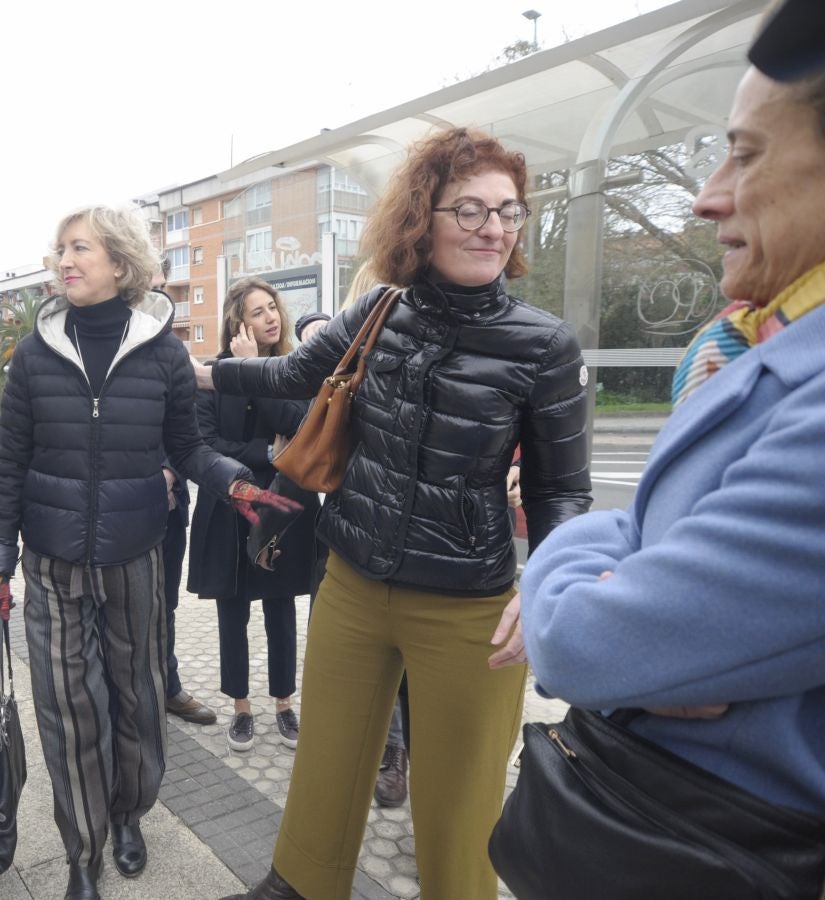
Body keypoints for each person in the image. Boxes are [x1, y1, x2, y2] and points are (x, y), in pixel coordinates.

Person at [205, 128, 593, 900]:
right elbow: (290, 373)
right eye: (470, 209)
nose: (493, 228)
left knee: (458, 810)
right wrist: (194, 372)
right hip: (352, 581)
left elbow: (561, 491)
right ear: (422, 218)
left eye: (508, 211)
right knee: (324, 771)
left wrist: (546, 584)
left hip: (468, 607)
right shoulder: (377, 311)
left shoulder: (543, 345)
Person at [520, 59, 825, 846]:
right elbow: (641, 546)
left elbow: (583, 645)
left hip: (722, 844)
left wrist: (560, 570)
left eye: (745, 154)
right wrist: (634, 574)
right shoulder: (763, 343)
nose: (705, 196)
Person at [0, 205, 299, 900]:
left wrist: (232, 482)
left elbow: (186, 446)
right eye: (60, 248)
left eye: (80, 248)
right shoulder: (34, 353)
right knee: (67, 708)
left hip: (136, 555)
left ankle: (129, 813)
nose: (64, 260)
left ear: (119, 264)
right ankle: (82, 851)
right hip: (52, 560)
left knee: (137, 697)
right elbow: (12, 461)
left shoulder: (162, 352)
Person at [189, 276, 316, 753]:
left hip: (281, 507)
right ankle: (241, 707)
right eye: (258, 311)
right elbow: (206, 443)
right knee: (233, 610)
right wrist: (266, 451)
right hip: (229, 506)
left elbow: (297, 425)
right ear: (236, 323)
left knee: (281, 608)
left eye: (273, 308)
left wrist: (255, 370)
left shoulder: (292, 370)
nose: (270, 318)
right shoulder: (212, 374)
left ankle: (284, 703)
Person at [151, 256, 216, 727]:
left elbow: (188, 431)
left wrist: (171, 472)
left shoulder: (174, 352)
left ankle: (167, 686)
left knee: (165, 604)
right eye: (149, 288)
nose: (158, 298)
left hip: (170, 508)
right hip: (118, 510)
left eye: (162, 288)